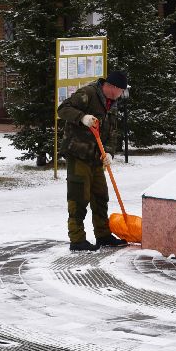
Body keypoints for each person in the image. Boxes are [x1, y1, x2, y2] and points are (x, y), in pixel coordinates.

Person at [57, 70, 131, 253]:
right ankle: (77, 239)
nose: (122, 94)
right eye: (121, 91)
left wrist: (110, 153)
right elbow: (63, 109)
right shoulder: (88, 94)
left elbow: (112, 132)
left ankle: (103, 235)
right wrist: (82, 118)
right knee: (79, 197)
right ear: (113, 88)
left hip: (97, 157)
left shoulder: (112, 104)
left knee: (100, 196)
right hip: (78, 154)